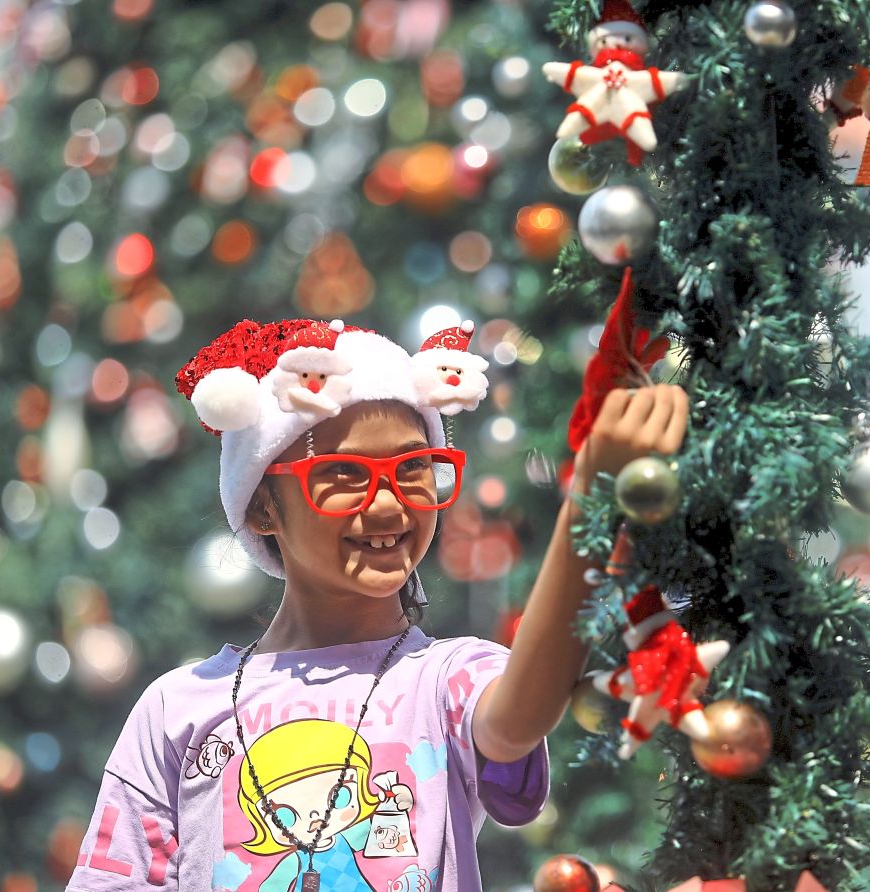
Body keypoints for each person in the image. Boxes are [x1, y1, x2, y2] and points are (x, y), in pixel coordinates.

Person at [65, 316, 688, 892]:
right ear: (261, 506)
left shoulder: (448, 679)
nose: (389, 504)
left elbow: (517, 717)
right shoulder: (175, 709)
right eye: (343, 475)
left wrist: (590, 505)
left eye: (415, 468)